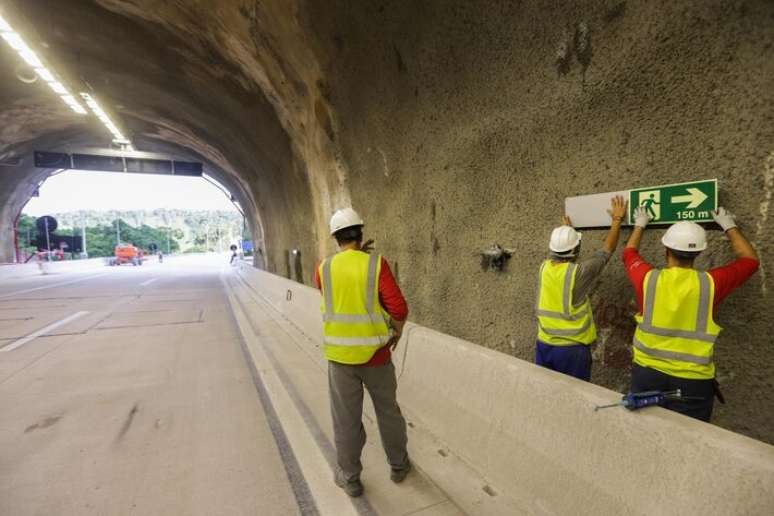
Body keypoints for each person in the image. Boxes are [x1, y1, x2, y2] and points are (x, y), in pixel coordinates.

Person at [623, 206, 759, 421]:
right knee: (687, 437)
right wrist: (729, 226)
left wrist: (640, 224)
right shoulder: (711, 284)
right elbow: (750, 260)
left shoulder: (648, 278)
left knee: (644, 430)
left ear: (666, 249)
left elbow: (629, 254)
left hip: (647, 373)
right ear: (699, 253)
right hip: (692, 381)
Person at [314, 207, 410, 498]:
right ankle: (399, 466)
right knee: (388, 413)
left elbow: (335, 296)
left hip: (340, 359)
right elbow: (398, 308)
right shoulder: (376, 264)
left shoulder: (323, 268)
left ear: (335, 238)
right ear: (361, 234)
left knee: (346, 420)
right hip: (376, 356)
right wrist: (396, 331)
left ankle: (350, 478)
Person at [535, 196, 628, 380]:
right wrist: (617, 219)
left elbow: (559, 252)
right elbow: (606, 250)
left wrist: (566, 233)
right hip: (571, 350)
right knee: (575, 394)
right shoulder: (578, 273)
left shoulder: (544, 268)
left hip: (544, 344)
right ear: (575, 250)